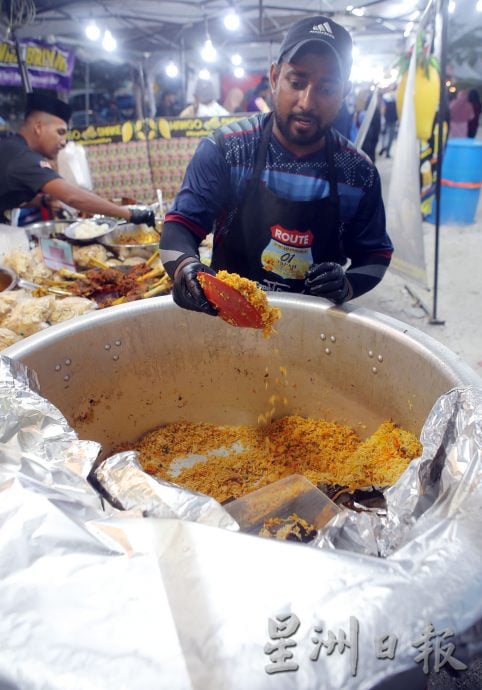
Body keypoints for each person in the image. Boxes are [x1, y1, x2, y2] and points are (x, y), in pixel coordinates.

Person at [160, 15, 393, 314]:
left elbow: (375, 254)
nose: (307, 102)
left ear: (344, 92)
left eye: (326, 89)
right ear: (274, 77)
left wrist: (346, 285)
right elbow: (179, 227)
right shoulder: (227, 149)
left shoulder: (358, 173)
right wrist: (185, 269)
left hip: (314, 329)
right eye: (296, 82)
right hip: (227, 321)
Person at [0, 92, 155, 227]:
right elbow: (72, 196)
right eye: (60, 132)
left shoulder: (13, 149)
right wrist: (128, 214)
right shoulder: (22, 157)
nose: (63, 142)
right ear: (38, 127)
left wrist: (43, 202)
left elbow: (7, 194)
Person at [379, 93, 398, 158]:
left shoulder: (385, 98)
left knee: (384, 135)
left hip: (387, 119)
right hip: (393, 120)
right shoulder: (396, 99)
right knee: (390, 137)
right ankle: (387, 151)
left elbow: (383, 109)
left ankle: (384, 148)